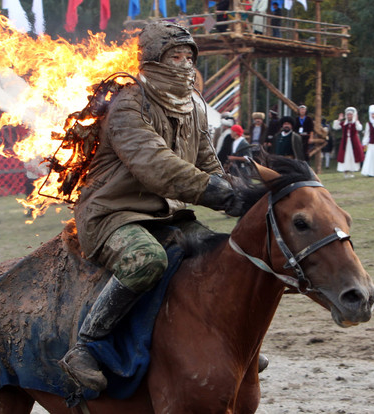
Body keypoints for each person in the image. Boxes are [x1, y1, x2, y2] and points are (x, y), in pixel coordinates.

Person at [60, 22, 246, 393]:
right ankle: (86, 345)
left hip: (168, 213)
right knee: (146, 260)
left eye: (189, 57)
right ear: (153, 60)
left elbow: (208, 161)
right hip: (112, 214)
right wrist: (217, 194)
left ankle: (225, 341)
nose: (184, 64)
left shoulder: (193, 105)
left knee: (224, 255)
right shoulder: (129, 103)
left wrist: (239, 191)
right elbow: (156, 166)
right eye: (175, 57)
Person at [333, 107, 364, 178]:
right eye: (348, 115)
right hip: (345, 143)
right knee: (345, 156)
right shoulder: (344, 123)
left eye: (350, 115)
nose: (349, 116)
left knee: (353, 156)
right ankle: (345, 172)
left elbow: (359, 128)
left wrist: (356, 121)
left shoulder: (355, 123)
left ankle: (352, 171)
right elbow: (335, 127)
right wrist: (339, 119)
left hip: (354, 142)